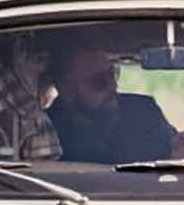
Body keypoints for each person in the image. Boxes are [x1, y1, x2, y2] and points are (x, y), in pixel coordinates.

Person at [46, 37, 175, 163]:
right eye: (99, 81)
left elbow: (175, 154)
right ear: (67, 90)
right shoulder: (46, 131)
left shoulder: (145, 111)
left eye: (112, 74)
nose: (113, 85)